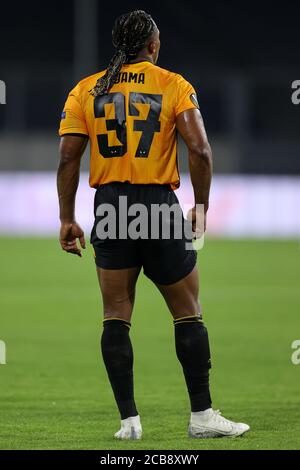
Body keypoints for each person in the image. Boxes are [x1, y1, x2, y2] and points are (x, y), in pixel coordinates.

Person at [57, 9, 249, 440]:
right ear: (153, 46)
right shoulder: (173, 85)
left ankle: (129, 423)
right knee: (187, 313)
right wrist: (200, 205)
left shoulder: (86, 90)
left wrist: (67, 217)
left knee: (115, 317)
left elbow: (69, 157)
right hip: (158, 208)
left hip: (110, 209)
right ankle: (202, 417)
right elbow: (199, 150)